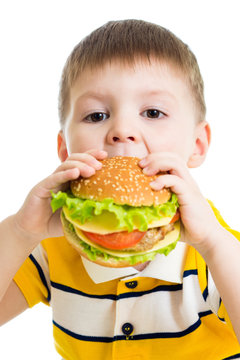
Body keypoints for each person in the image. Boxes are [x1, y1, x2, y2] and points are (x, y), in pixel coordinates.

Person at [0, 19, 240, 359]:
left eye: (153, 112)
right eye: (96, 115)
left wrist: (214, 244)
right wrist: (20, 230)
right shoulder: (52, 246)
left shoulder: (215, 247)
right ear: (66, 149)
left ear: (197, 144)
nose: (122, 130)